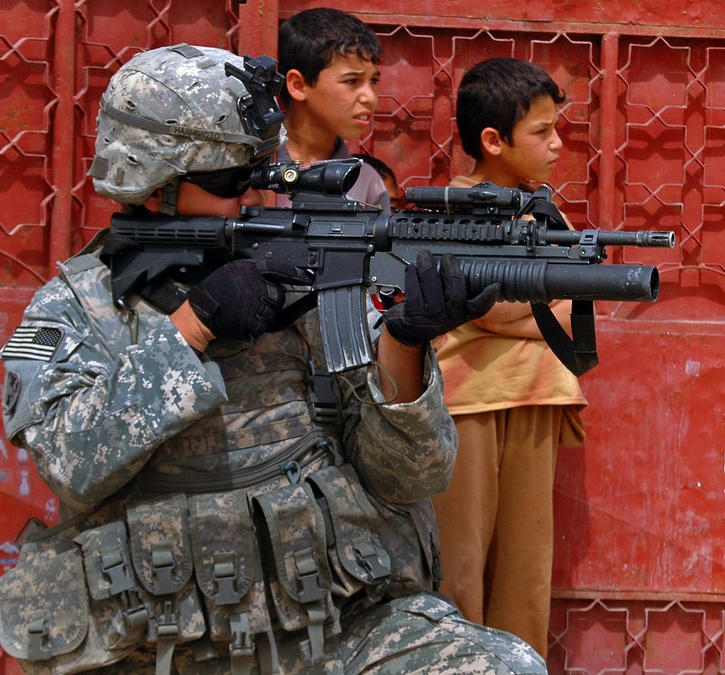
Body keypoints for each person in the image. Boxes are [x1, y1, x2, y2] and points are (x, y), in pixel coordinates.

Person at [0, 44, 548, 675]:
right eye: (234, 182)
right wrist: (194, 324)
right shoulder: (75, 308)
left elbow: (410, 479)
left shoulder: (306, 284)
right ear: (155, 185)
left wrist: (404, 345)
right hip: (151, 648)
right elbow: (72, 462)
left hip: (335, 631)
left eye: (268, 171)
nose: (261, 196)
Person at [430, 57, 588, 658]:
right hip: (466, 403)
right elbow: (486, 308)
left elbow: (580, 301)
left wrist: (532, 304)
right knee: (460, 569)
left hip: (536, 396)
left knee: (525, 571)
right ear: (493, 142)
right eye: (542, 131)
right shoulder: (454, 207)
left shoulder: (543, 210)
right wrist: (545, 304)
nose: (557, 142)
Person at [277, 8, 391, 211]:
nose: (370, 98)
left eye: (373, 80)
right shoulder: (253, 169)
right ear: (298, 85)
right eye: (351, 81)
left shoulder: (366, 182)